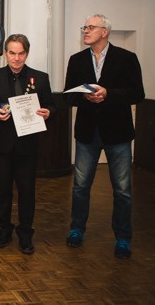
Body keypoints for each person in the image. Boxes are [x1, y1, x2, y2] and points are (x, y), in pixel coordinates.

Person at [64, 14, 144, 259]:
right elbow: (68, 96)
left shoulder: (127, 58)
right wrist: (85, 96)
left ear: (105, 31)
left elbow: (137, 93)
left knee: (122, 190)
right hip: (87, 133)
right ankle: (77, 230)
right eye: (84, 27)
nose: (85, 31)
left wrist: (108, 94)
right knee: (80, 187)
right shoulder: (77, 60)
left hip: (118, 133)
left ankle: (123, 238)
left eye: (90, 27)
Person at [0, 34, 55, 255]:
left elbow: (51, 106)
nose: (16, 58)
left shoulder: (40, 78)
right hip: (2, 145)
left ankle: (25, 233)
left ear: (27, 53)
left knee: (27, 191)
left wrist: (48, 112)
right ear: (5, 53)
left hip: (28, 145)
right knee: (3, 189)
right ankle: (4, 229)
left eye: (21, 53)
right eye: (12, 53)